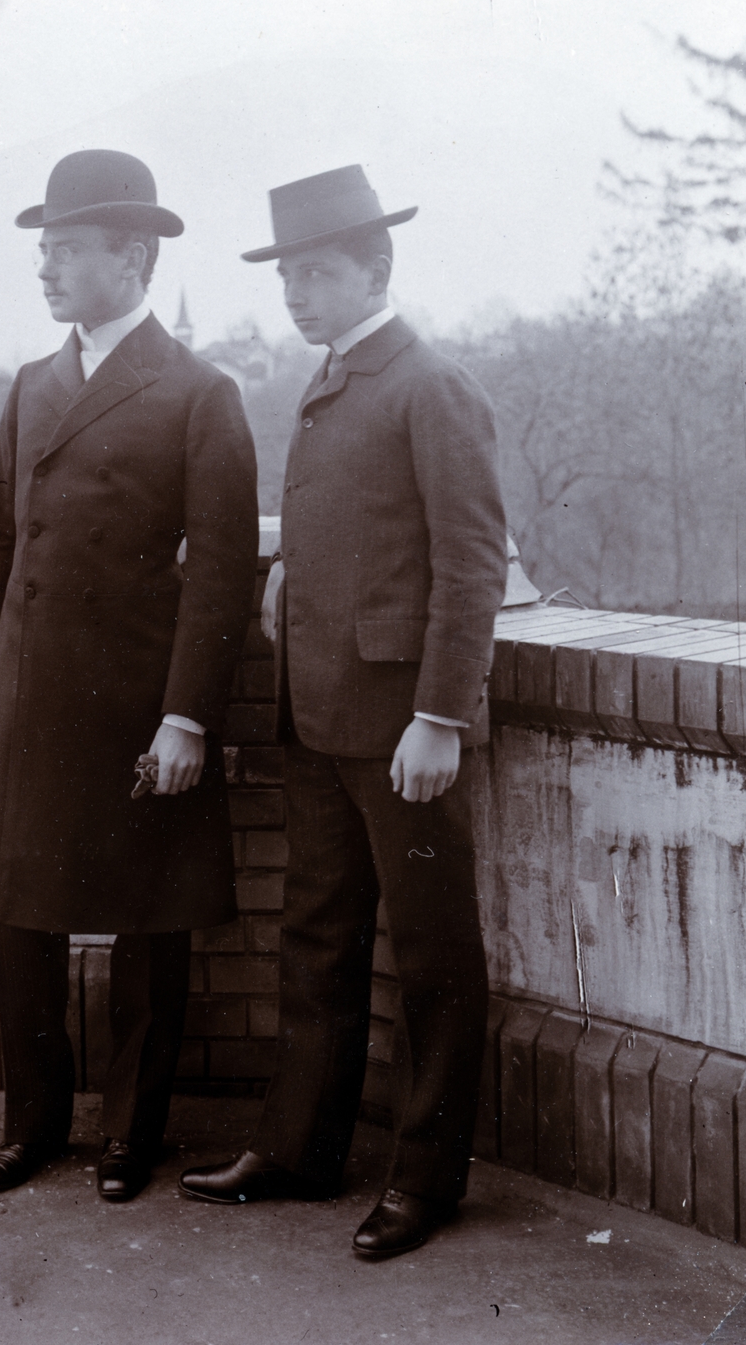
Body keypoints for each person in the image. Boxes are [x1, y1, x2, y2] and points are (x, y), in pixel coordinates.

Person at [179, 164, 508, 1259]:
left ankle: (427, 1179)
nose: (296, 294)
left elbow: (469, 567)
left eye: (316, 272)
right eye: (287, 275)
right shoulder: (331, 379)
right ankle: (298, 1148)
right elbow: (362, 532)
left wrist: (441, 717)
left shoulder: (428, 384)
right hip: (315, 721)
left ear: (376, 267)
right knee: (314, 941)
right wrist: (286, 575)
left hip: (397, 730)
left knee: (429, 957)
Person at [0, 149, 259, 1203]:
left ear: (131, 255)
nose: (47, 270)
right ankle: (30, 1123)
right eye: (43, 251)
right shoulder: (32, 385)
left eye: (69, 250)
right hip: (28, 698)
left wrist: (185, 716)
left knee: (147, 921)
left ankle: (131, 1132)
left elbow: (221, 575)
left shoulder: (198, 393)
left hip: (135, 704)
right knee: (19, 914)